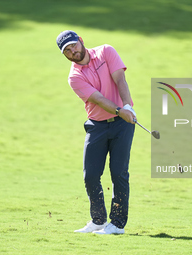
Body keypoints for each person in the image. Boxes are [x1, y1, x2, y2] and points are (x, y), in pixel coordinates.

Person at [56, 30, 136, 235]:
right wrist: (119, 110)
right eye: (67, 50)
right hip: (97, 125)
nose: (72, 51)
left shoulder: (106, 51)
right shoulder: (75, 77)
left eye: (73, 45)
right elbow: (99, 100)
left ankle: (117, 224)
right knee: (90, 175)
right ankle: (98, 220)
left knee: (119, 173)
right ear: (64, 55)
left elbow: (120, 80)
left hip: (122, 124)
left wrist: (127, 107)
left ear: (81, 41)